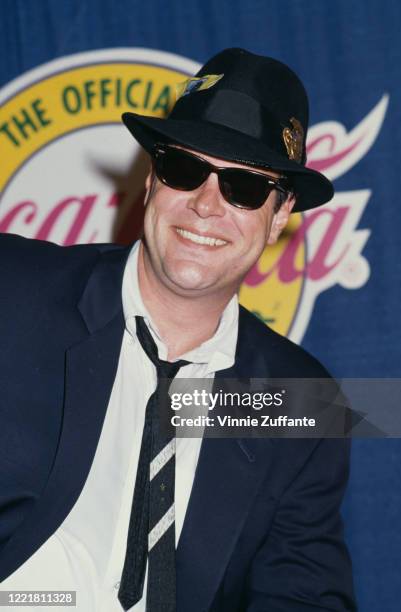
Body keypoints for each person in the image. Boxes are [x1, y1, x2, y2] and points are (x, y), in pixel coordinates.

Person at [0, 48, 356, 611]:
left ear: (279, 216)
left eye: (244, 187)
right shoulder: (14, 292)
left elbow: (302, 595)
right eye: (184, 169)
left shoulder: (300, 400)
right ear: (151, 181)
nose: (206, 205)